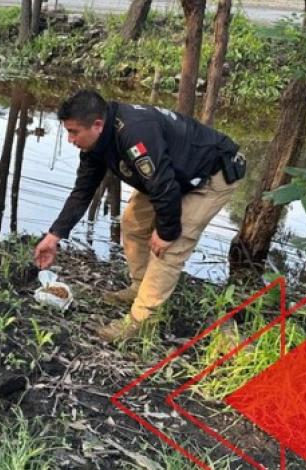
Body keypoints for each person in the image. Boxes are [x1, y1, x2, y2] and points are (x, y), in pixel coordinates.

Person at [33, 90, 247, 343]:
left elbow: (164, 187)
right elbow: (83, 190)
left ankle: (140, 321)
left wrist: (166, 232)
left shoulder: (134, 134)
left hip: (212, 174)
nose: (70, 139)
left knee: (170, 246)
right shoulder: (96, 143)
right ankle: (141, 286)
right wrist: (54, 235)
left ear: (97, 125)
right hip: (170, 174)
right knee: (133, 222)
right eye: (68, 132)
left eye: (74, 132)